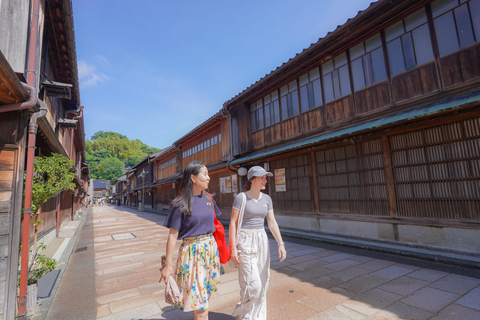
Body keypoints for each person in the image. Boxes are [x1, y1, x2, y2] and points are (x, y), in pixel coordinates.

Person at [161, 160, 223, 320]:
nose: (208, 178)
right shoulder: (180, 204)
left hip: (210, 253)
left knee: (204, 301)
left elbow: (216, 226)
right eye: (205, 174)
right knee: (201, 307)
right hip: (193, 255)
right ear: (193, 178)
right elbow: (172, 235)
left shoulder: (209, 199)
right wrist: (168, 266)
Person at [229, 166, 287, 320]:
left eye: (265, 178)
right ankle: (243, 312)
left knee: (262, 280)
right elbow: (233, 223)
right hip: (245, 240)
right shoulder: (241, 198)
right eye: (262, 177)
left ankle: (256, 317)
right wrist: (233, 248)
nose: (265, 180)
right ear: (252, 179)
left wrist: (280, 243)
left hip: (262, 239)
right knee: (253, 284)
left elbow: (272, 222)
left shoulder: (267, 199)